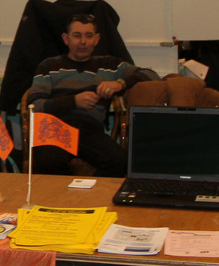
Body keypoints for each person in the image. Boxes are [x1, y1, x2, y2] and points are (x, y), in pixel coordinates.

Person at [28, 13, 151, 176]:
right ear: (66, 39)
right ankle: (65, 192)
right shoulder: (49, 66)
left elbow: (150, 74)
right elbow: (34, 106)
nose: (83, 41)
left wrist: (119, 84)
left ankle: (88, 190)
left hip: (90, 130)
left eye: (88, 35)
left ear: (96, 39)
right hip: (55, 128)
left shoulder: (110, 65)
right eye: (77, 36)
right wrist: (73, 101)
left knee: (121, 161)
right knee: (49, 161)